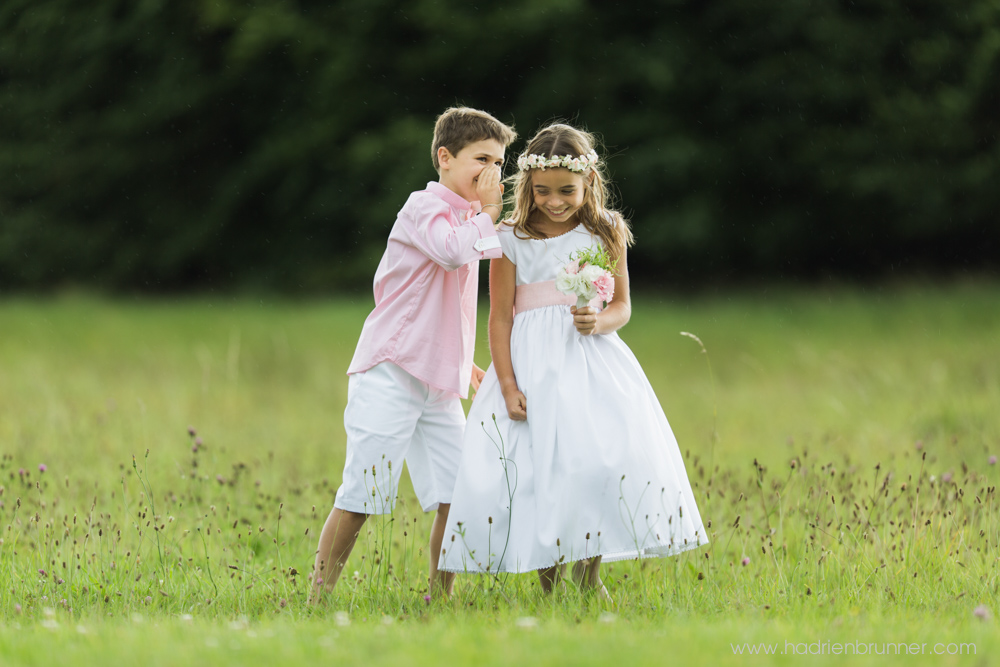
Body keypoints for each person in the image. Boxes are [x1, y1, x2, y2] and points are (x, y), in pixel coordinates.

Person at [437, 123, 707, 597]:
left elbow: (621, 306)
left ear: (589, 183)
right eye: (543, 191)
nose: (555, 201)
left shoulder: (605, 232)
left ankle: (589, 576)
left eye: (567, 191)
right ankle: (548, 581)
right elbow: (500, 318)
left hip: (587, 365)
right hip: (531, 368)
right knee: (540, 472)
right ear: (528, 186)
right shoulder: (511, 237)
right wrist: (507, 385)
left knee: (591, 466)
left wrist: (597, 323)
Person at [309, 107, 516, 603]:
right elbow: (448, 252)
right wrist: (488, 213)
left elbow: (449, 306)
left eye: (500, 164)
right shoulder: (423, 207)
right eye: (481, 159)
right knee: (362, 494)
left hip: (438, 381)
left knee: (455, 494)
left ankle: (437, 599)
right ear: (445, 158)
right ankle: (317, 597)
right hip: (392, 371)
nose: (493, 174)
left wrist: (464, 363)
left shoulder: (472, 219)